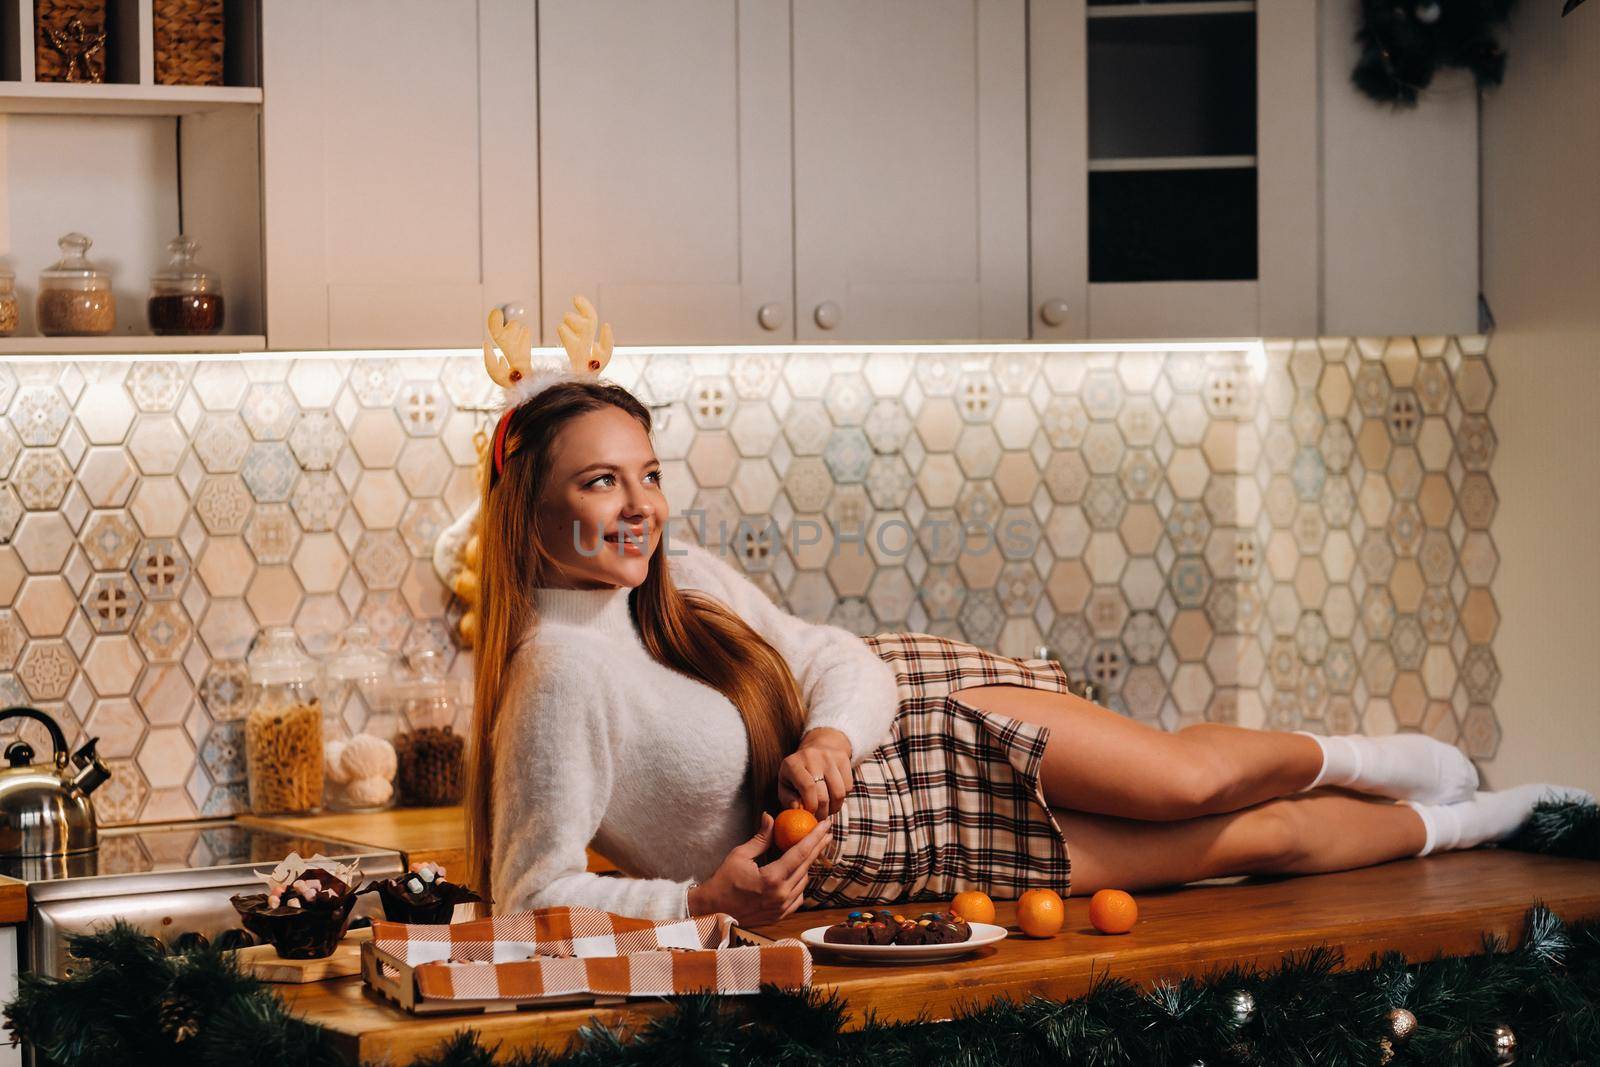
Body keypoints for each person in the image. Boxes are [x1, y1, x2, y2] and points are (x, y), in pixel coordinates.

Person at [462, 298, 1593, 926]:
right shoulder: (559, 675)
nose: (639, 505)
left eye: (646, 472)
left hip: (922, 721)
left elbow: (834, 657)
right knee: (1240, 846)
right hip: (908, 850)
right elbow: (532, 892)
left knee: (1189, 778)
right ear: (530, 510)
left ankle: (1394, 758)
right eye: (600, 481)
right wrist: (701, 894)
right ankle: (1484, 817)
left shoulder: (692, 579)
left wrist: (827, 737)